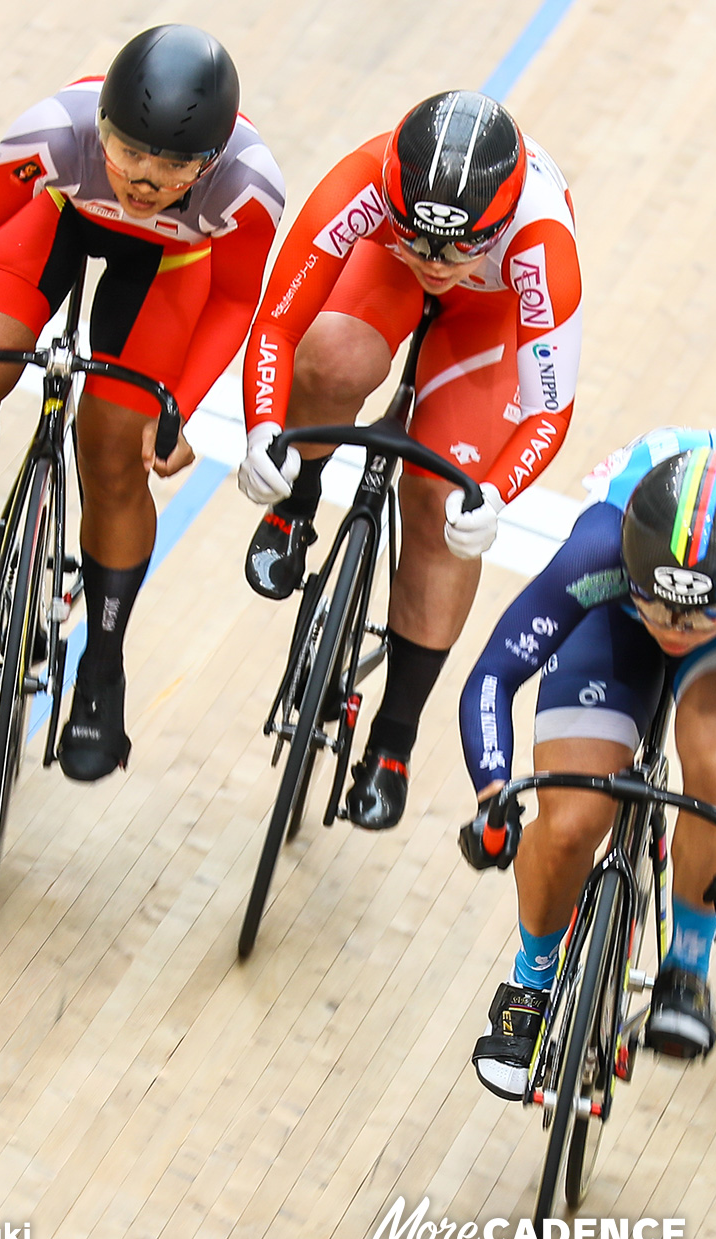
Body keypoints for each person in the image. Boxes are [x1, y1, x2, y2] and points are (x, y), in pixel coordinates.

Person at [0, 25, 284, 782]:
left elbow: (238, 298)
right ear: (100, 126)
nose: (142, 180)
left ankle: (101, 666)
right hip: (56, 217)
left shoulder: (247, 185)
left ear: (208, 162)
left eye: (171, 166)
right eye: (127, 151)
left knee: (114, 458)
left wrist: (178, 407)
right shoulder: (54, 134)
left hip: (170, 264)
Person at [455, 429, 716, 1097]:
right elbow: (492, 676)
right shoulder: (601, 547)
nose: (673, 629)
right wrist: (494, 792)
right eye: (660, 609)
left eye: (694, 620)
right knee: (573, 819)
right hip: (619, 611)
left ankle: (687, 967)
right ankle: (531, 979)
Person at [235, 89, 582, 831]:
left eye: (459, 245)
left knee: (442, 501)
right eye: (420, 236)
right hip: (376, 270)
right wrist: (264, 429)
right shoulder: (363, 180)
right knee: (330, 356)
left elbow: (549, 407)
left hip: (491, 317)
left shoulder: (542, 241)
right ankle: (295, 510)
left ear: (500, 223)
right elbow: (277, 324)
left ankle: (393, 738)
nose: (436, 261)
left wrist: (494, 494)